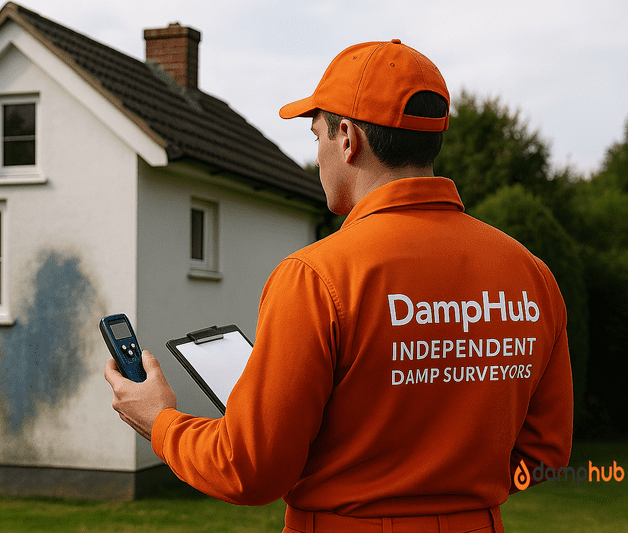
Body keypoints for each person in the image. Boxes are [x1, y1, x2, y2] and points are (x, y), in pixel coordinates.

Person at [104, 39, 573, 533]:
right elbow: (545, 453)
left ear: (347, 138)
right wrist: (456, 489)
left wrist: (160, 422)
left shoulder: (316, 277)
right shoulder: (531, 274)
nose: (318, 158)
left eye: (316, 139)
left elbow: (249, 471)